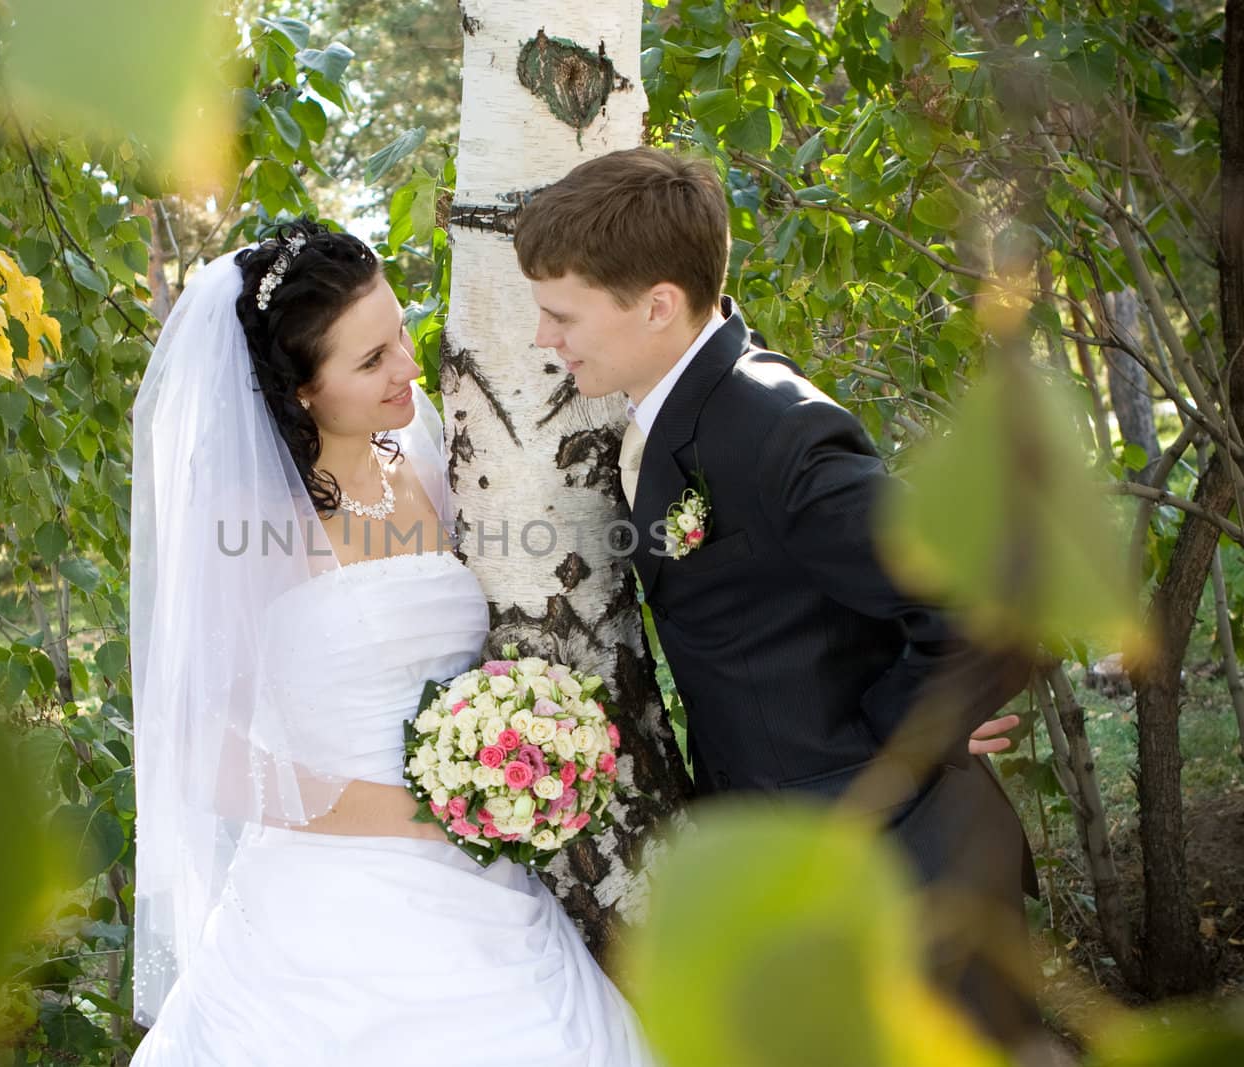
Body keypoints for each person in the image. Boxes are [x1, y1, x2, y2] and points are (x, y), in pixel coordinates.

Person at [514, 147, 1041, 1045]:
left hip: (906, 879)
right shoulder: (686, 402)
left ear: (657, 305)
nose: (542, 339)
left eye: (562, 314)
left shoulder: (775, 428)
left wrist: (903, 735)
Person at [127, 220, 655, 1066]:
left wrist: (512, 751)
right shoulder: (246, 516)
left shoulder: (427, 446)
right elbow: (202, 750)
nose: (409, 365)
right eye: (371, 361)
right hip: (332, 904)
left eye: (399, 331)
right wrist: (421, 812)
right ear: (301, 390)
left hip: (485, 872)